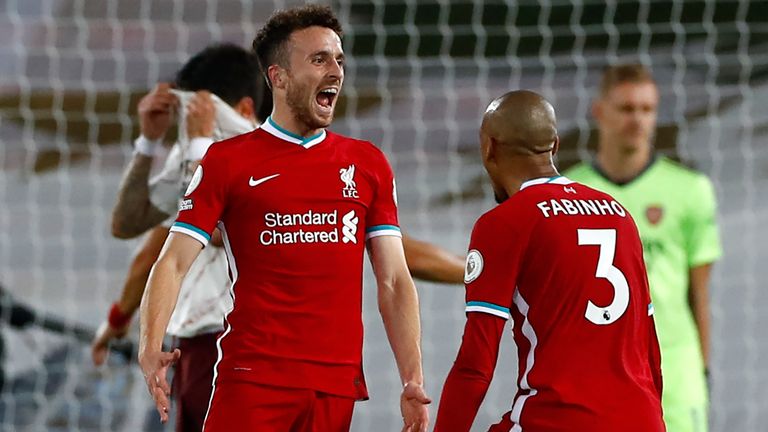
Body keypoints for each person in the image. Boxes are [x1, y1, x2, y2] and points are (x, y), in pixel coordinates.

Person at [138, 5, 431, 432]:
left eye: (339, 59)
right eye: (319, 59)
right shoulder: (228, 160)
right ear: (278, 77)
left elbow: (394, 280)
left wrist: (412, 378)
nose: (335, 70)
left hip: (336, 384)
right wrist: (149, 346)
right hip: (254, 379)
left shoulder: (367, 164)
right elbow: (173, 260)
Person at [434, 90, 664, 431]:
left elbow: (475, 366)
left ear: (489, 147)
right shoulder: (620, 215)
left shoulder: (503, 223)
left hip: (558, 418)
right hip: (642, 419)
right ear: (554, 145)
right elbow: (650, 349)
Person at [92, 43, 267, 432]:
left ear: (242, 111)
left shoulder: (261, 156)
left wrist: (202, 146)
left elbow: (221, 230)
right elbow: (129, 226)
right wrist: (149, 142)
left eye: (201, 108)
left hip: (234, 344)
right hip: (199, 347)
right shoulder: (192, 156)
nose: (190, 120)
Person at [565, 63, 722, 432]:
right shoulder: (566, 193)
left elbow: (698, 293)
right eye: (626, 108)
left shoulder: (690, 189)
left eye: (647, 109)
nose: (637, 119)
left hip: (673, 373)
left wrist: (701, 371)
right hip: (595, 375)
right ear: (599, 112)